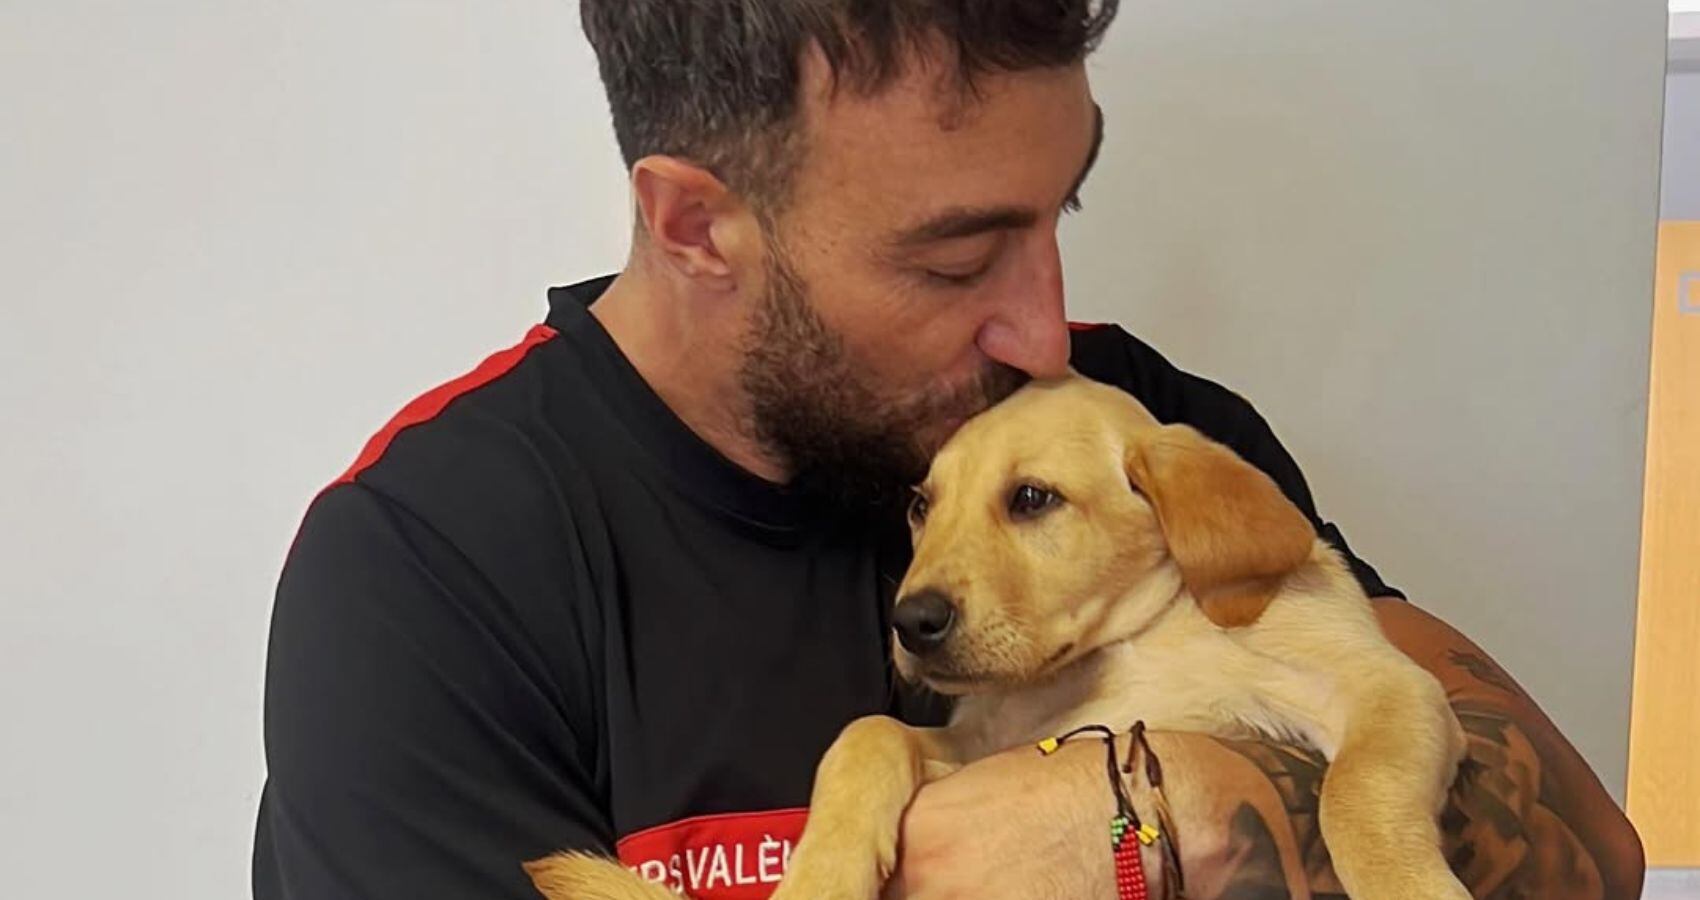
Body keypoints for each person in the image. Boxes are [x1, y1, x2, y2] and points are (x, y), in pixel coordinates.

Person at [252, 2, 1644, 898]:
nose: (1046, 330)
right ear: (694, 229)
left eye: (1061, 213)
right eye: (959, 257)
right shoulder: (427, 569)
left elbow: (1595, 851)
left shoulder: (1141, 428)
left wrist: (1192, 813)